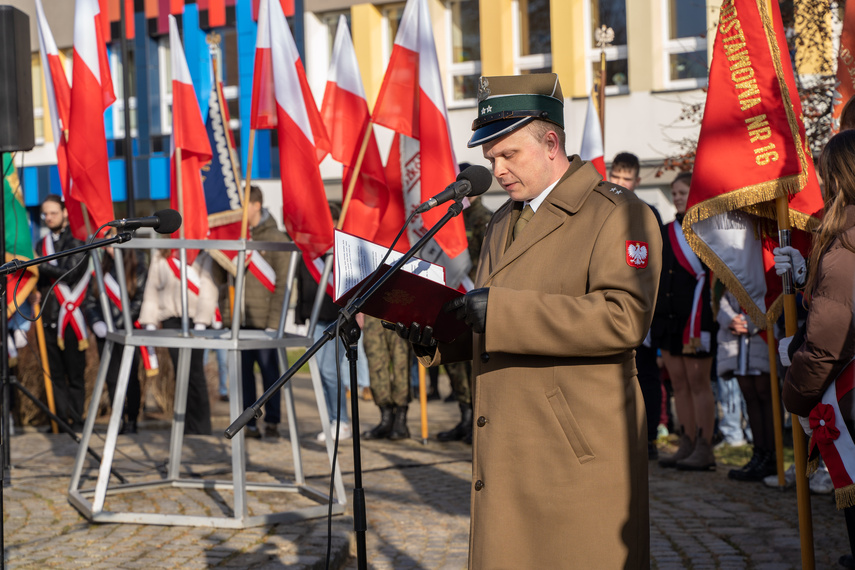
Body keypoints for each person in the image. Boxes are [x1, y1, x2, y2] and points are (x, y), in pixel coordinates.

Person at [397, 73, 661, 568]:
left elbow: (623, 317)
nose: (496, 169)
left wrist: (501, 311)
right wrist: (438, 334)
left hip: (571, 453)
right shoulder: (503, 219)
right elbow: (489, 322)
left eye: (508, 154)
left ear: (551, 142)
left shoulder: (617, 214)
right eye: (491, 157)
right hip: (508, 447)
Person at [781, 130, 855, 568]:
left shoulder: (844, 247)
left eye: (825, 175)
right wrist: (810, 273)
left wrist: (796, 391)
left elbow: (829, 345)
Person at [653, 171, 717, 471]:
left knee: (698, 383)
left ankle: (705, 446)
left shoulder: (708, 230)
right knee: (678, 384)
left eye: (683, 192)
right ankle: (687, 442)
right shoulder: (664, 232)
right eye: (674, 193)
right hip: (668, 319)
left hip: (696, 318)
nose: (678, 197)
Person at [221, 186, 291, 440]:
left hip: (265, 321)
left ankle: (272, 420)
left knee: (270, 373)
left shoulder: (275, 238)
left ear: (257, 205)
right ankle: (247, 424)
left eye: (244, 204)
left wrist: (275, 321)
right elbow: (224, 280)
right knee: (243, 376)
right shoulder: (235, 238)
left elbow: (283, 282)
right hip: (240, 320)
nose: (239, 210)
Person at [609, 151, 664, 458]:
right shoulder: (601, 209)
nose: (620, 183)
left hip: (641, 305)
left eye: (626, 179)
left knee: (645, 374)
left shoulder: (647, 213)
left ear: (637, 181)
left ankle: (651, 436)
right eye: (615, 177)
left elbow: (651, 263)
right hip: (610, 303)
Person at [138, 249, 217, 435]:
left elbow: (208, 287)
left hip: (195, 319)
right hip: (170, 319)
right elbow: (152, 289)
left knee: (195, 371)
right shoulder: (162, 255)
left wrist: (202, 321)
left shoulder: (202, 254)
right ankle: (185, 422)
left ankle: (202, 424)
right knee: (179, 370)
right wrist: (149, 320)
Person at [83, 237, 148, 434]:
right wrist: (96, 323)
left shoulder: (138, 266)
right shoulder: (101, 269)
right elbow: (90, 301)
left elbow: (139, 299)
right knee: (111, 377)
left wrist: (120, 324)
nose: (109, 246)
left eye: (113, 242)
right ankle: (117, 416)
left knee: (130, 377)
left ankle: (132, 418)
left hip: (129, 330)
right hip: (106, 333)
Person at [36, 195, 89, 431]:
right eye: (45, 214)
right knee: (54, 373)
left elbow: (70, 275)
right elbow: (40, 279)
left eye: (53, 213)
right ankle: (59, 420)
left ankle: (77, 420)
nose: (48, 218)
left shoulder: (78, 242)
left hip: (71, 319)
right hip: (48, 316)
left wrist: (40, 263)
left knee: (75, 374)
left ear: (65, 212)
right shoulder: (41, 244)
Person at [716, 289, 775, 481]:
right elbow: (720, 294)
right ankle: (758, 453)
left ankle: (772, 456)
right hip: (736, 338)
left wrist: (752, 322)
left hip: (761, 335)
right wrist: (731, 320)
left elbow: (773, 294)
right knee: (749, 395)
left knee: (766, 394)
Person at [362, 315, 412, 441]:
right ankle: (386, 419)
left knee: (401, 363)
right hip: (371, 308)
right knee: (375, 363)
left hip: (399, 305)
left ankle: (400, 420)